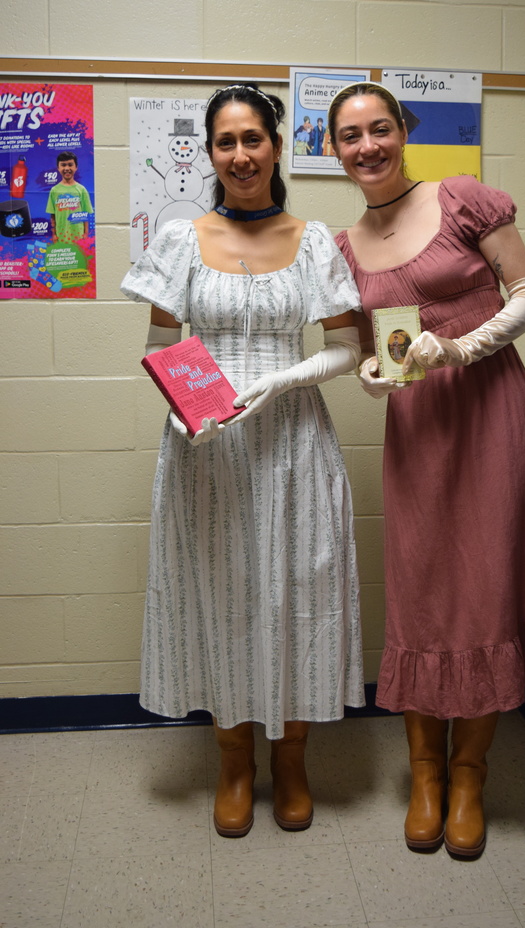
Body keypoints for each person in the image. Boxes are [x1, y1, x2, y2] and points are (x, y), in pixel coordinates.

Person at [327, 82, 525, 859]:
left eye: (378, 129)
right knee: (423, 592)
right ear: (333, 150)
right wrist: (371, 372)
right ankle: (423, 774)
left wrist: (465, 347)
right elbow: (365, 348)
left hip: (493, 408)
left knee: (487, 583)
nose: (367, 146)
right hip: (420, 426)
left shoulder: (461, 200)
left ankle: (470, 774)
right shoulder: (342, 247)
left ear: (402, 131)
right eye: (349, 136)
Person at [121, 83, 365, 838]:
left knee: (300, 595)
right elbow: (164, 349)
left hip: (295, 443)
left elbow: (346, 347)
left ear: (276, 145)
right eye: (225, 143)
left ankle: (291, 759)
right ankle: (233, 759)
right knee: (219, 596)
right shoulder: (178, 240)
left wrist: (281, 378)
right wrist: (185, 409)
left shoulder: (314, 238)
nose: (239, 156)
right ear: (210, 152)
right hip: (207, 450)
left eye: (252, 139)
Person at [46, 151, 93, 243]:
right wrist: (54, 234)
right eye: (63, 165)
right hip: (61, 237)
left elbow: (85, 214)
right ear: (58, 168)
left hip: (78, 237)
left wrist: (85, 234)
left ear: (76, 167)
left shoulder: (81, 189)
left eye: (70, 165)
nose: (67, 168)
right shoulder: (54, 190)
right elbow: (53, 215)